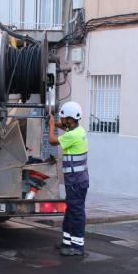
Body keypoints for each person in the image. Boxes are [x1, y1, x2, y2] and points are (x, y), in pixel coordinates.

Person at [47, 102, 89, 256]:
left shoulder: (72, 136)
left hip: (75, 182)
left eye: (63, 118)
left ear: (70, 119)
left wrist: (51, 126)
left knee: (76, 212)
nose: (62, 120)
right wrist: (55, 123)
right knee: (71, 210)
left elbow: (52, 140)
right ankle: (66, 241)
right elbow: (65, 128)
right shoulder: (78, 130)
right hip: (78, 180)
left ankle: (77, 247)